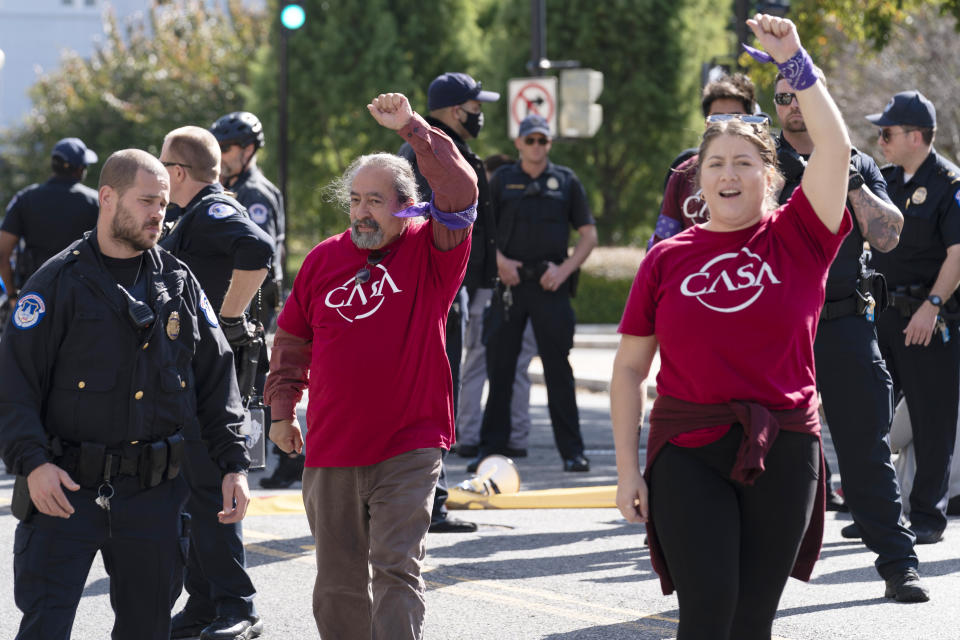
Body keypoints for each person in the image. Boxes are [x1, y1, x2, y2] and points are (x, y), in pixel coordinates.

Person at [611, 15, 851, 639]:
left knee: (751, 622)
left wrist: (794, 61)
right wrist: (626, 470)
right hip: (687, 447)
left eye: (745, 162)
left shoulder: (801, 235)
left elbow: (836, 148)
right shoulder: (667, 258)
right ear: (698, 181)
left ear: (770, 178)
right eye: (715, 163)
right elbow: (631, 368)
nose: (728, 174)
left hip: (785, 445)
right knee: (708, 611)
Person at [0, 149, 251, 640]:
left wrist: (233, 465)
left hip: (153, 497)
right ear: (108, 197)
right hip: (63, 490)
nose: (158, 213)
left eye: (163, 203)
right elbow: (13, 384)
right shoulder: (55, 283)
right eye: (146, 201)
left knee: (147, 628)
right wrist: (32, 464)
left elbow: (218, 378)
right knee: (46, 627)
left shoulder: (177, 282)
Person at [264, 92, 477, 640]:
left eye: (376, 201)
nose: (361, 211)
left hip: (410, 442)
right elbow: (291, 340)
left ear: (406, 205)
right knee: (336, 583)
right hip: (332, 445)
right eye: (355, 200)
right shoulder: (322, 260)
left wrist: (412, 128)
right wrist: (282, 411)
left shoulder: (433, 251)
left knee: (395, 569)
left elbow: (459, 189)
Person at [772, 72, 927, 600]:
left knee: (867, 448)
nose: (794, 105)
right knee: (763, 448)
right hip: (776, 329)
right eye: (783, 97)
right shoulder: (759, 160)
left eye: (802, 93)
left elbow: (888, 235)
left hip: (843, 323)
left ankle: (898, 563)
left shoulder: (857, 163)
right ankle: (751, 573)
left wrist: (844, 176)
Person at [159, 126, 274, 640]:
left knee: (213, 491)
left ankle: (236, 605)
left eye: (164, 167)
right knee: (198, 493)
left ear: (177, 172)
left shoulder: (212, 210)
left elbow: (258, 246)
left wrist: (226, 320)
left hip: (215, 379)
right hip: (196, 375)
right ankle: (204, 603)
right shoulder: (193, 216)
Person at [397, 71, 499, 533]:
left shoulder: (441, 150)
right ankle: (429, 502)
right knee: (436, 393)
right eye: (475, 107)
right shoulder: (427, 155)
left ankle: (423, 497)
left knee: (437, 391)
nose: (480, 115)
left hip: (444, 287)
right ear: (457, 110)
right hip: (437, 289)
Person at [468, 113, 598, 473]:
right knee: (501, 369)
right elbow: (480, 231)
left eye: (542, 140)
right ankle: (489, 451)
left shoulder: (566, 181)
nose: (536, 146)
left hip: (549, 285)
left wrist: (565, 269)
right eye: (530, 140)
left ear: (550, 144)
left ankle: (573, 452)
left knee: (559, 370)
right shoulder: (503, 180)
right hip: (510, 286)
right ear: (518, 144)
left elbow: (588, 235)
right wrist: (499, 262)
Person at [867, 90, 960, 546]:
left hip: (928, 319)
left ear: (918, 136)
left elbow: (958, 255)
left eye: (887, 132)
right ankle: (876, 511)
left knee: (931, 421)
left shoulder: (949, 184)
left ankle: (926, 516)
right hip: (883, 315)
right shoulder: (885, 181)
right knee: (870, 417)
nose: (880, 140)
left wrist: (933, 306)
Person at [209, 111, 300, 491]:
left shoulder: (253, 192)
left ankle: (287, 458)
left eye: (227, 147)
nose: (221, 154)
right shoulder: (231, 186)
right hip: (240, 298)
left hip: (251, 301)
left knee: (255, 378)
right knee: (245, 377)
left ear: (247, 150)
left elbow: (258, 256)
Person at [456, 152, 537, 459]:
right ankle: (517, 436)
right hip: (518, 291)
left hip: (485, 291)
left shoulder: (481, 205)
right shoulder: (525, 201)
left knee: (475, 364)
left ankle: (469, 435)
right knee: (518, 366)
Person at [648, 73, 758, 248]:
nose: (727, 126)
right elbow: (661, 243)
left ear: (751, 121)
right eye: (717, 119)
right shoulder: (682, 174)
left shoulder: (763, 173)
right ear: (706, 124)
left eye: (736, 117)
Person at [0, 137, 100, 310]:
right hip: (81, 298)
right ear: (80, 169)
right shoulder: (95, 202)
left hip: (33, 296)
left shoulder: (26, 198)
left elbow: (2, 253)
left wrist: (11, 295)